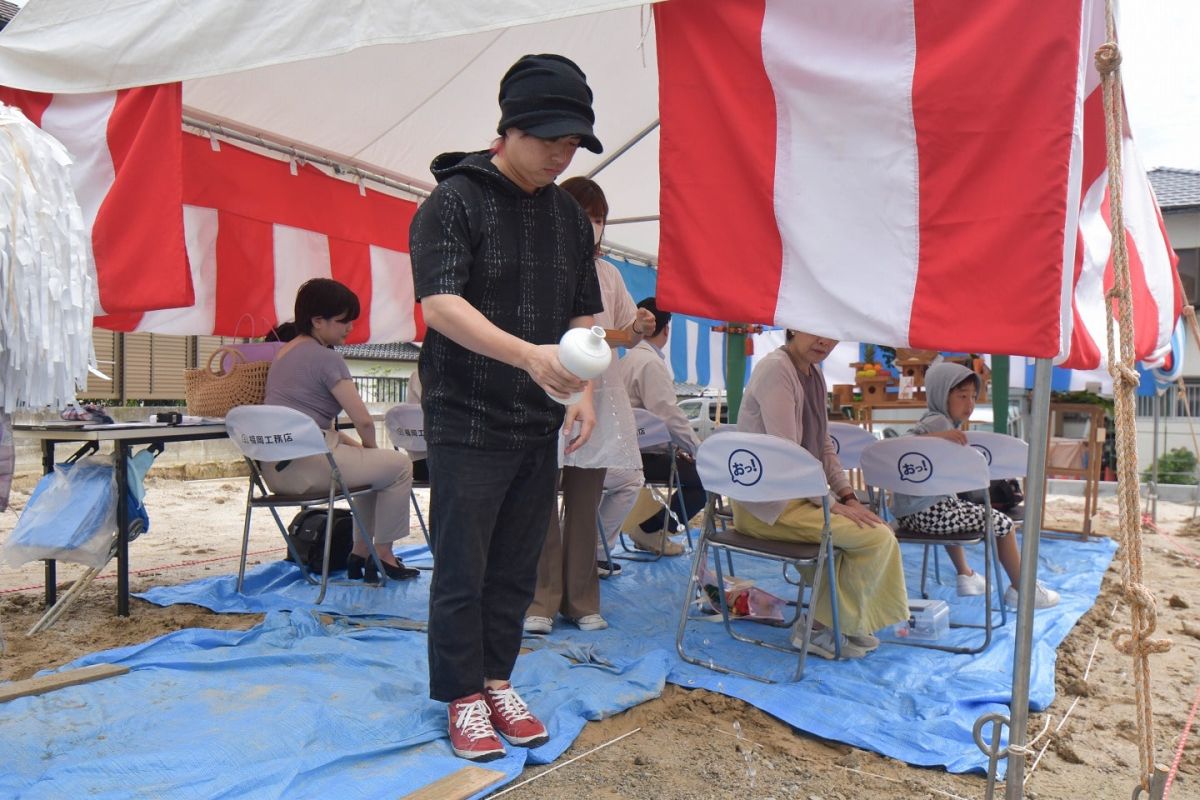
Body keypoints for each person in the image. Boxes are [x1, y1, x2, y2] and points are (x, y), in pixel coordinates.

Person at [408, 53, 604, 762]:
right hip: (466, 415)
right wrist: (528, 355)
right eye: (550, 137)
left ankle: (497, 679)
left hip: (537, 418)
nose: (562, 153)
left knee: (519, 565)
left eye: (573, 142)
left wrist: (580, 386)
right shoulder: (453, 200)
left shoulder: (569, 220)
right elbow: (439, 304)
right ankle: (461, 694)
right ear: (508, 128)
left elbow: (584, 317)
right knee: (464, 565)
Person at [524, 177, 656, 634]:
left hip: (598, 394)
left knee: (584, 503)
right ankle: (540, 599)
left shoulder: (609, 274)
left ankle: (580, 600)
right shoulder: (538, 264)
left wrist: (637, 328)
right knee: (540, 502)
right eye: (583, 216)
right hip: (548, 391)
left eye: (597, 219)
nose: (591, 226)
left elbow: (614, 334)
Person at [733, 330, 909, 659]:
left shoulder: (813, 374)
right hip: (767, 507)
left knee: (871, 530)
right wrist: (831, 503)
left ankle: (842, 624)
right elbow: (788, 454)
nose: (824, 342)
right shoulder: (776, 369)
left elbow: (824, 445)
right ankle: (815, 628)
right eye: (816, 332)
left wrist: (848, 496)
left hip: (796, 498)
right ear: (793, 328)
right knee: (876, 538)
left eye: (832, 336)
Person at [262, 278, 418, 581]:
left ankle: (359, 554)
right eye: (343, 321)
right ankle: (383, 556)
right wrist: (372, 450)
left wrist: (366, 456)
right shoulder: (325, 357)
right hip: (309, 467)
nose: (349, 328)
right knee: (398, 466)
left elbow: (311, 425)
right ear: (317, 321)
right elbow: (362, 419)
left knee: (375, 470)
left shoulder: (283, 354)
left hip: (275, 471)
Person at [891, 362, 1061, 609]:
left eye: (972, 396)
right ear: (941, 395)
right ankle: (1021, 589)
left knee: (958, 508)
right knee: (1003, 524)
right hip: (928, 513)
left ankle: (966, 575)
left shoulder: (938, 421)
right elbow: (902, 444)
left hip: (914, 513)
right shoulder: (938, 423)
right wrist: (939, 438)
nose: (969, 404)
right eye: (961, 396)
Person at [617, 297, 706, 555]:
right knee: (703, 481)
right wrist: (697, 449)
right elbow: (669, 416)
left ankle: (649, 530)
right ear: (666, 328)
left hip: (625, 450)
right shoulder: (650, 363)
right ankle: (651, 530)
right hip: (641, 454)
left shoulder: (626, 360)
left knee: (692, 473)